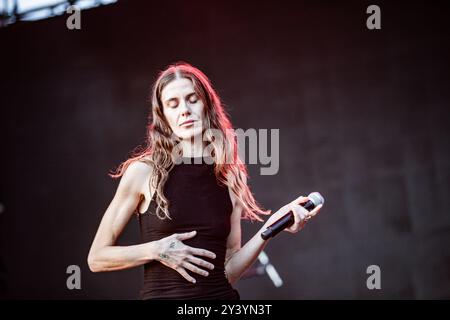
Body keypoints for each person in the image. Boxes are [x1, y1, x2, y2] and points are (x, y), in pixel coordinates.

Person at [87, 62, 323, 300]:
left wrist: (269, 229)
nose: (185, 110)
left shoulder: (229, 175)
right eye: (173, 103)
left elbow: (228, 271)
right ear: (163, 116)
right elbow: (96, 258)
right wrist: (157, 250)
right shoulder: (143, 171)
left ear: (207, 105)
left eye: (193, 99)